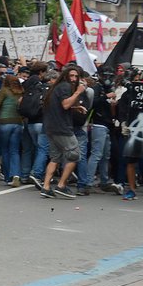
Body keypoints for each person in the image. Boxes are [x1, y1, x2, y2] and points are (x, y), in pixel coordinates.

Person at [40, 65, 87, 199]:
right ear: (65, 75)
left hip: (51, 127)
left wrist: (75, 107)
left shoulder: (56, 88)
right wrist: (78, 92)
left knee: (55, 157)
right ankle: (61, 185)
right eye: (71, 76)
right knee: (75, 155)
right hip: (62, 128)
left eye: (76, 76)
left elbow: (61, 106)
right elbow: (65, 104)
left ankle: (46, 187)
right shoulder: (65, 87)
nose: (74, 79)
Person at [0, 74, 24, 187]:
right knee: (15, 151)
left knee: (5, 150)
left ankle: (8, 177)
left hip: (4, 122)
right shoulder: (21, 91)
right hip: (18, 122)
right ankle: (16, 174)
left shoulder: (5, 90)